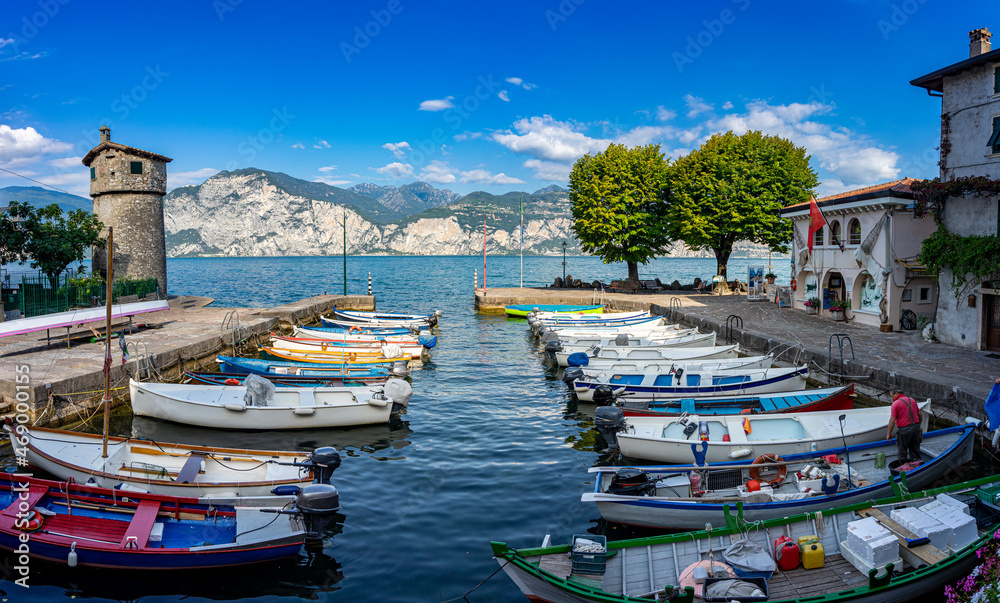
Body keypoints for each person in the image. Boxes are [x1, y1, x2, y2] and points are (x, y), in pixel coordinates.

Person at [886, 388, 922, 462]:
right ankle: (916, 467)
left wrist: (889, 434)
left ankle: (903, 470)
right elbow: (920, 415)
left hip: (904, 430)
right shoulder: (912, 400)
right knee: (915, 451)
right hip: (915, 428)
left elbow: (892, 421)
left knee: (902, 452)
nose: (892, 398)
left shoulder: (895, 404)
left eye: (892, 396)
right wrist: (918, 426)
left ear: (896, 394)